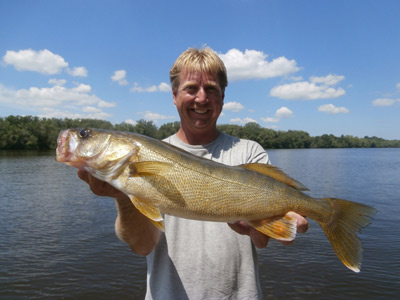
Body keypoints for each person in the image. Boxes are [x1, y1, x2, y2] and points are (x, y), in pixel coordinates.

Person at [78, 47, 308, 299]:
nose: (201, 98)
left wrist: (273, 229)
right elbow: (142, 245)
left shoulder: (249, 153)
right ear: (174, 95)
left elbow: (264, 241)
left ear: (222, 96)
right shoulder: (144, 157)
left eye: (211, 89)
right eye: (190, 89)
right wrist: (124, 194)